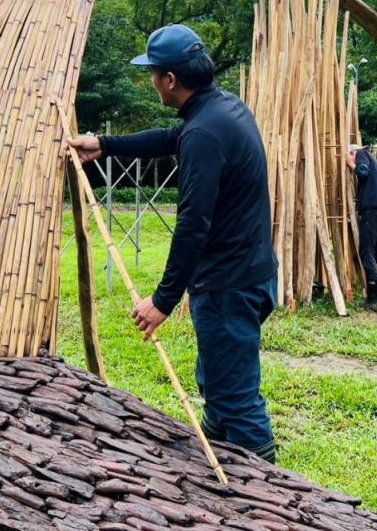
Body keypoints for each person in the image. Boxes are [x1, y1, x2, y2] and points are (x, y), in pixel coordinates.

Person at [68, 24, 279, 464]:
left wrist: (163, 301)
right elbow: (171, 139)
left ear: (169, 80)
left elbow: (193, 227)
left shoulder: (203, 133)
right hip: (249, 274)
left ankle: (267, 489)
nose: (152, 82)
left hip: (228, 285)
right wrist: (103, 145)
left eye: (153, 74)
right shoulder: (222, 110)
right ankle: (220, 451)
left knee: (238, 398)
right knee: (219, 381)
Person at [346, 145, 377, 311]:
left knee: (367, 251)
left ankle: (375, 299)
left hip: (371, 212)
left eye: (350, 156)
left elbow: (362, 172)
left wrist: (351, 165)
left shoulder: (360, 153)